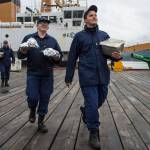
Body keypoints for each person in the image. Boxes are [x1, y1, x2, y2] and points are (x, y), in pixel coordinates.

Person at [65, 5, 121, 149]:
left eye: (95, 15)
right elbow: (72, 57)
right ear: (85, 20)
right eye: (90, 15)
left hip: (103, 76)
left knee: (99, 100)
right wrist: (69, 76)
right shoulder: (79, 37)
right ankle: (93, 133)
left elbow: (112, 53)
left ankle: (85, 111)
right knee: (92, 104)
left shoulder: (104, 35)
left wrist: (117, 57)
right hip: (87, 76)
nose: (94, 16)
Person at [18, 17, 62, 133]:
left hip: (47, 75)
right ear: (37, 25)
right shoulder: (29, 38)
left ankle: (41, 122)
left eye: (46, 23)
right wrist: (24, 49)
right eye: (42, 23)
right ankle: (32, 109)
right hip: (33, 74)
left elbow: (59, 58)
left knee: (45, 97)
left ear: (48, 27)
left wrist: (55, 56)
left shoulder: (52, 40)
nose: (44, 25)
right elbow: (20, 56)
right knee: (32, 97)